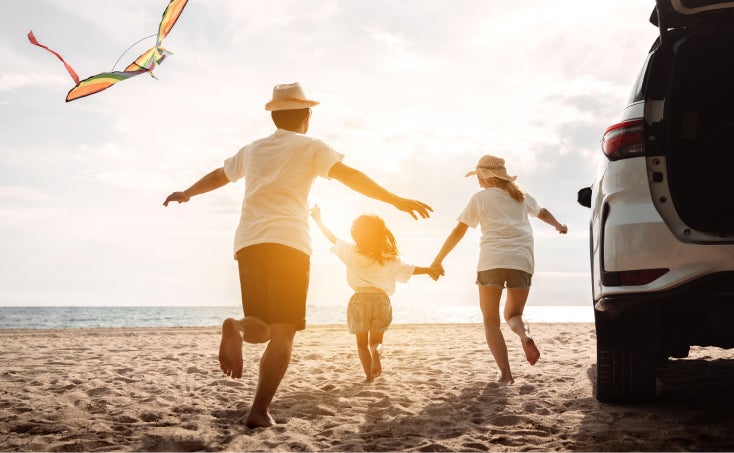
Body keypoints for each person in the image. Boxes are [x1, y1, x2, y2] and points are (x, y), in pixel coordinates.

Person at [163, 82, 432, 428]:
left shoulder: (253, 149)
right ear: (306, 116)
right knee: (283, 331)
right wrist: (395, 199)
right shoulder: (312, 147)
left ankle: (237, 328)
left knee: (259, 328)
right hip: (289, 243)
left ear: (274, 116)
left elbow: (219, 175)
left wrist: (187, 193)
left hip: (249, 242)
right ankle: (258, 411)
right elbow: (350, 177)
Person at [430, 155, 567, 384]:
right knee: (514, 316)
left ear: (485, 176)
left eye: (478, 176)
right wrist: (559, 226)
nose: (477, 181)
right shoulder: (521, 196)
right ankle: (525, 335)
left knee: (491, 321)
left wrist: (438, 260)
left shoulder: (480, 198)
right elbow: (542, 212)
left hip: (491, 262)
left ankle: (506, 374)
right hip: (521, 262)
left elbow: (458, 232)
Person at [310, 205, 441, 382]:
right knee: (375, 342)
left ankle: (369, 377)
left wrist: (318, 220)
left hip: (359, 300)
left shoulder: (350, 251)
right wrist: (430, 270)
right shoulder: (389, 256)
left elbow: (332, 238)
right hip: (381, 300)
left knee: (361, 344)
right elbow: (410, 269)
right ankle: (376, 353)